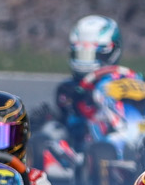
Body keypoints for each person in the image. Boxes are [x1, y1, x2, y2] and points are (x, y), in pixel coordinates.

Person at [50, 15, 124, 153]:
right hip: (87, 144)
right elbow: (67, 119)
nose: (85, 62)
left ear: (111, 52)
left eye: (90, 55)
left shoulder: (125, 81)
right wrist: (83, 97)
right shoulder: (69, 88)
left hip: (126, 133)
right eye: (81, 54)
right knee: (51, 129)